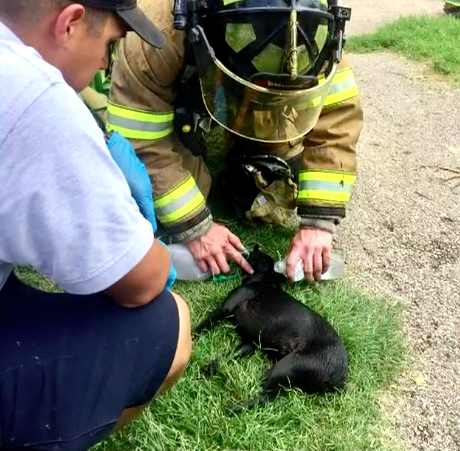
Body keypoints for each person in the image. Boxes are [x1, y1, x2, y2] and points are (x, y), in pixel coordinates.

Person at [0, 1, 191, 450]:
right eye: (109, 45)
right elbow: (141, 281)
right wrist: (144, 241)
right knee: (172, 321)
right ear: (69, 22)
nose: (107, 63)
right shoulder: (35, 94)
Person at [98, 0, 363, 283]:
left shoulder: (314, 29)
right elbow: (141, 140)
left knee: (277, 159)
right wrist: (196, 227)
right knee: (186, 193)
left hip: (234, 64)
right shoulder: (157, 30)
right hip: (179, 80)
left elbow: (337, 119)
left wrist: (318, 224)